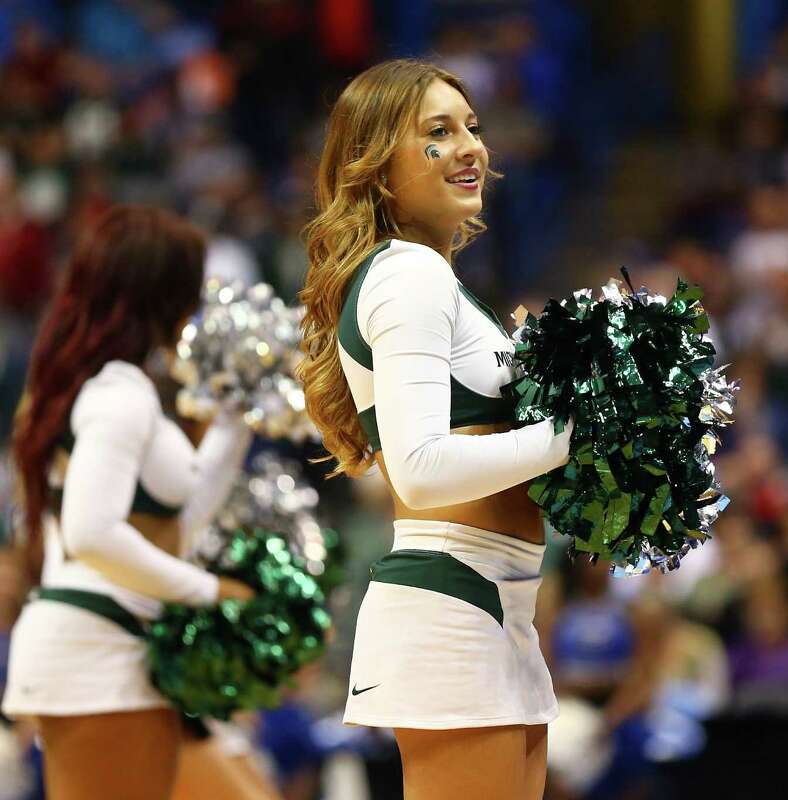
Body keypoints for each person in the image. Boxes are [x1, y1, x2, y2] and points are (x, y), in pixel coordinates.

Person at [298, 60, 574, 800]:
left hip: (497, 602)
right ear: (376, 163)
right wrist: (573, 433)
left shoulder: (436, 280)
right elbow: (417, 469)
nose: (469, 147)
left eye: (472, 128)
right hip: (454, 602)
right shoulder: (406, 276)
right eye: (437, 132)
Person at [1, 206, 257, 800]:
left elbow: (180, 514)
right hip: (96, 647)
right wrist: (208, 592)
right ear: (163, 294)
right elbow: (93, 532)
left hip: (108, 643)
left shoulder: (109, 388)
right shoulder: (122, 392)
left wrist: (236, 418)